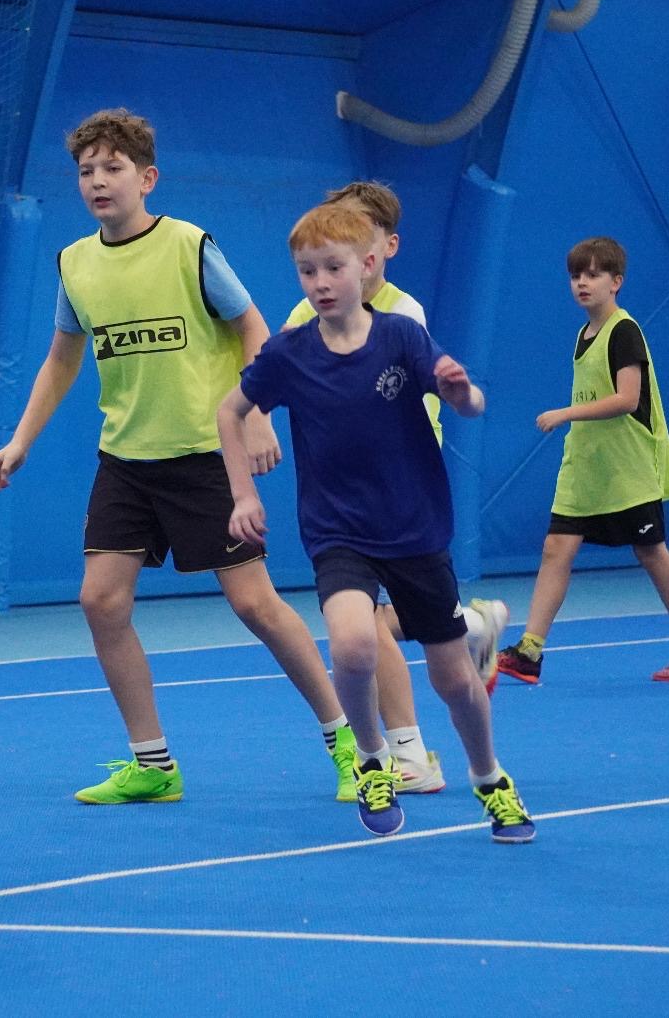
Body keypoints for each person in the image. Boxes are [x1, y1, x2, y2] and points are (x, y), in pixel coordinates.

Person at [0, 108, 356, 804]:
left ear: (147, 178)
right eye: (86, 170)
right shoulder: (74, 263)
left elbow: (253, 328)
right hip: (126, 460)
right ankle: (153, 764)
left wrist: (258, 414)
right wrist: (20, 441)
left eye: (113, 167)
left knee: (255, 604)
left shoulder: (189, 246)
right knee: (100, 600)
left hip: (204, 455)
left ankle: (348, 743)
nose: (98, 180)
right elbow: (61, 360)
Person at [220, 203, 534, 841]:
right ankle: (372, 761)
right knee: (353, 644)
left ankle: (490, 777)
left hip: (415, 528)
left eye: (333, 268)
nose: (320, 283)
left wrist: (461, 392)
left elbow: (472, 405)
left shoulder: (401, 337)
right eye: (307, 271)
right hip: (338, 531)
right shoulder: (288, 353)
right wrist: (243, 496)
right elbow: (230, 412)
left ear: (367, 266)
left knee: (454, 680)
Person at [282, 182, 508, 796]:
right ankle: (464, 634)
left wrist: (459, 394)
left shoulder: (403, 316)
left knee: (374, 627)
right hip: (340, 493)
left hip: (402, 489)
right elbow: (279, 360)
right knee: (361, 625)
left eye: (358, 239)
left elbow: (441, 390)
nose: (333, 266)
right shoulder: (308, 311)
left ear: (382, 248)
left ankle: (412, 749)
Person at [496, 236, 669, 684]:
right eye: (575, 275)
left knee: (651, 552)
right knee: (556, 548)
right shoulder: (583, 335)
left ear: (616, 282)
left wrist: (566, 413)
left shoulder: (624, 332)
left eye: (594, 274)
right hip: (586, 468)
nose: (582, 283)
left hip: (627, 468)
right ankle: (529, 651)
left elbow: (627, 399)